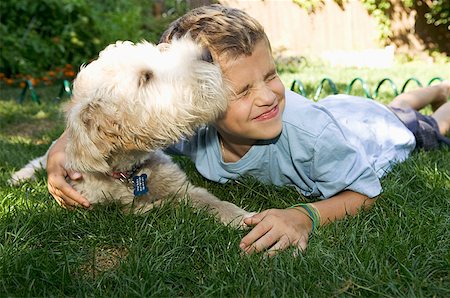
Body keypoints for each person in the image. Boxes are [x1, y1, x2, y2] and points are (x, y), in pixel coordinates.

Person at [45, 4, 450, 256]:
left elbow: (365, 192)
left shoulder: (313, 138)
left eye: (271, 75)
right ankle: (427, 90)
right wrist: (60, 152)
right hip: (344, 112)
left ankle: (441, 93)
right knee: (396, 106)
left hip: (370, 131)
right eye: (241, 90)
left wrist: (303, 216)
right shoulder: (193, 130)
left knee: (424, 125)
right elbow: (125, 124)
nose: (267, 96)